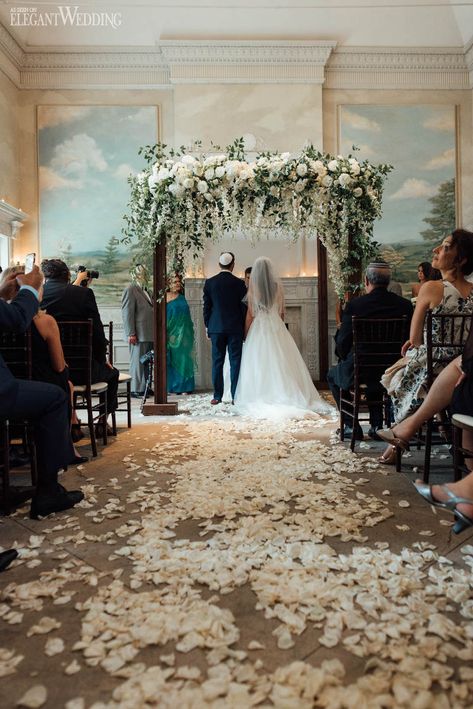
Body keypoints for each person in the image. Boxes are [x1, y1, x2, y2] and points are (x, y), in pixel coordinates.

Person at [380, 230, 473, 461]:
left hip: (434, 365)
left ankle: (397, 439)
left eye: (445, 247)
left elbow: (417, 338)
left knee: (395, 374)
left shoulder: (430, 288)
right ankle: (442, 427)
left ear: (460, 259)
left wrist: (414, 342)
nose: (436, 250)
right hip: (464, 365)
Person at [0, 266, 84, 519]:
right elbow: (15, 320)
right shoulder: (43, 320)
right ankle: (48, 492)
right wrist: (29, 288)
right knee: (56, 396)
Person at [234, 257, 332, 419]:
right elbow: (281, 312)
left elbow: (250, 314)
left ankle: (262, 393)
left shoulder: (254, 287)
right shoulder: (278, 287)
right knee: (281, 360)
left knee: (259, 362)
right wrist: (278, 324)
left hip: (259, 327)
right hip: (276, 325)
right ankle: (286, 392)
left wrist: (246, 333)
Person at [327, 262, 413, 440]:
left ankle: (352, 426)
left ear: (366, 281)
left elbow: (342, 342)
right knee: (377, 378)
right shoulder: (404, 306)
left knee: (332, 376)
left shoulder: (355, 306)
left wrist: (343, 357)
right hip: (394, 370)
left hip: (362, 368)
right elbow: (408, 340)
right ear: (388, 282)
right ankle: (377, 425)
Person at [40, 259, 119, 430]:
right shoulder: (83, 294)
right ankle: (101, 422)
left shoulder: (37, 295)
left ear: (44, 277)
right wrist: (102, 359)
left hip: (50, 371)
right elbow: (97, 333)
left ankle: (70, 421)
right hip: (82, 371)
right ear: (67, 275)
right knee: (113, 374)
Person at [203, 252, 247, 405]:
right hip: (235, 328)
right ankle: (236, 396)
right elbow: (243, 309)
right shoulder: (240, 284)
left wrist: (207, 326)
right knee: (236, 362)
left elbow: (207, 308)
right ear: (233, 264)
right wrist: (244, 328)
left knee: (217, 362)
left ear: (219, 264)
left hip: (216, 328)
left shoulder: (210, 283)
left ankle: (217, 396)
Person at [121, 264, 154, 397]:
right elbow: (127, 313)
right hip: (138, 334)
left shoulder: (148, 291)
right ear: (134, 274)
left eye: (145, 272)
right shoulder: (130, 289)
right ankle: (136, 389)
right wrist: (131, 333)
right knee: (137, 363)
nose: (144, 274)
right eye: (141, 272)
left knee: (147, 362)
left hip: (149, 333)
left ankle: (146, 387)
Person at [166, 273, 195, 394]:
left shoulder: (182, 297)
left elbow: (187, 317)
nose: (178, 284)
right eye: (175, 282)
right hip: (171, 334)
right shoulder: (165, 298)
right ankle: (173, 387)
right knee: (171, 360)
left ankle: (185, 387)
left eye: (179, 282)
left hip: (185, 335)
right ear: (168, 284)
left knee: (184, 359)